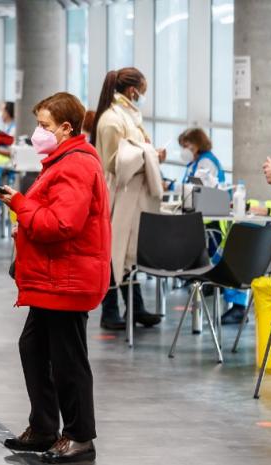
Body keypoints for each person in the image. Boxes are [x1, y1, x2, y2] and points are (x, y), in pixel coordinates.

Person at [0, 92, 108, 464]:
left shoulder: (75, 165)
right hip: (53, 278)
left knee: (68, 360)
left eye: (44, 126)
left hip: (68, 278)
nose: (37, 132)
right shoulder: (60, 160)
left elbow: (62, 224)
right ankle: (44, 427)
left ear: (65, 127)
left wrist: (20, 204)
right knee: (34, 348)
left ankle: (79, 437)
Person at [91, 67, 165, 330]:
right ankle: (109, 310)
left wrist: (151, 155)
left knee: (129, 251)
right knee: (113, 251)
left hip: (131, 195)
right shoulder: (112, 120)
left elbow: (135, 151)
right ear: (133, 90)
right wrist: (148, 155)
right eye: (143, 91)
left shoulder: (129, 115)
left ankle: (135, 306)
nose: (144, 95)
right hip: (116, 194)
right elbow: (115, 164)